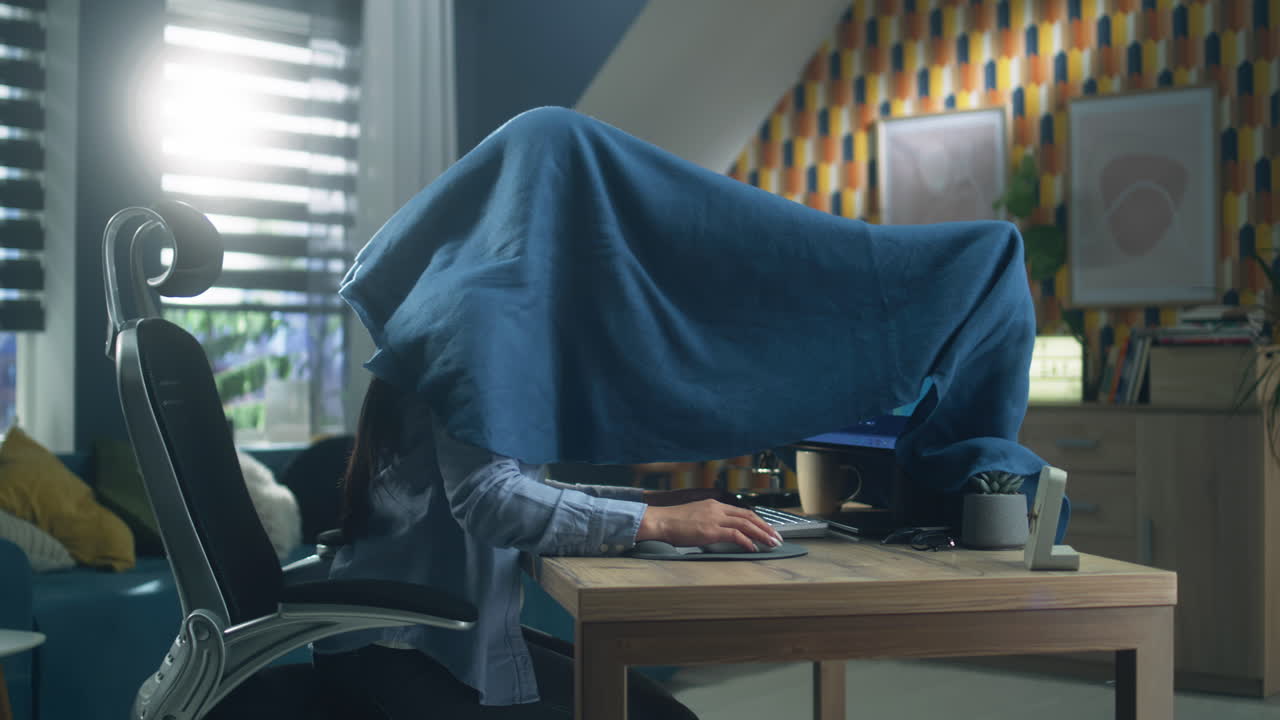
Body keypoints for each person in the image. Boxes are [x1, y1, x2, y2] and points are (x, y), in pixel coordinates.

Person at [313, 106, 1065, 718]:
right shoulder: (483, 313)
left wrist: (657, 506)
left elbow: (506, 480)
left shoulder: (469, 290)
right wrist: (659, 525)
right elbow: (488, 501)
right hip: (403, 652)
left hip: (434, 633)